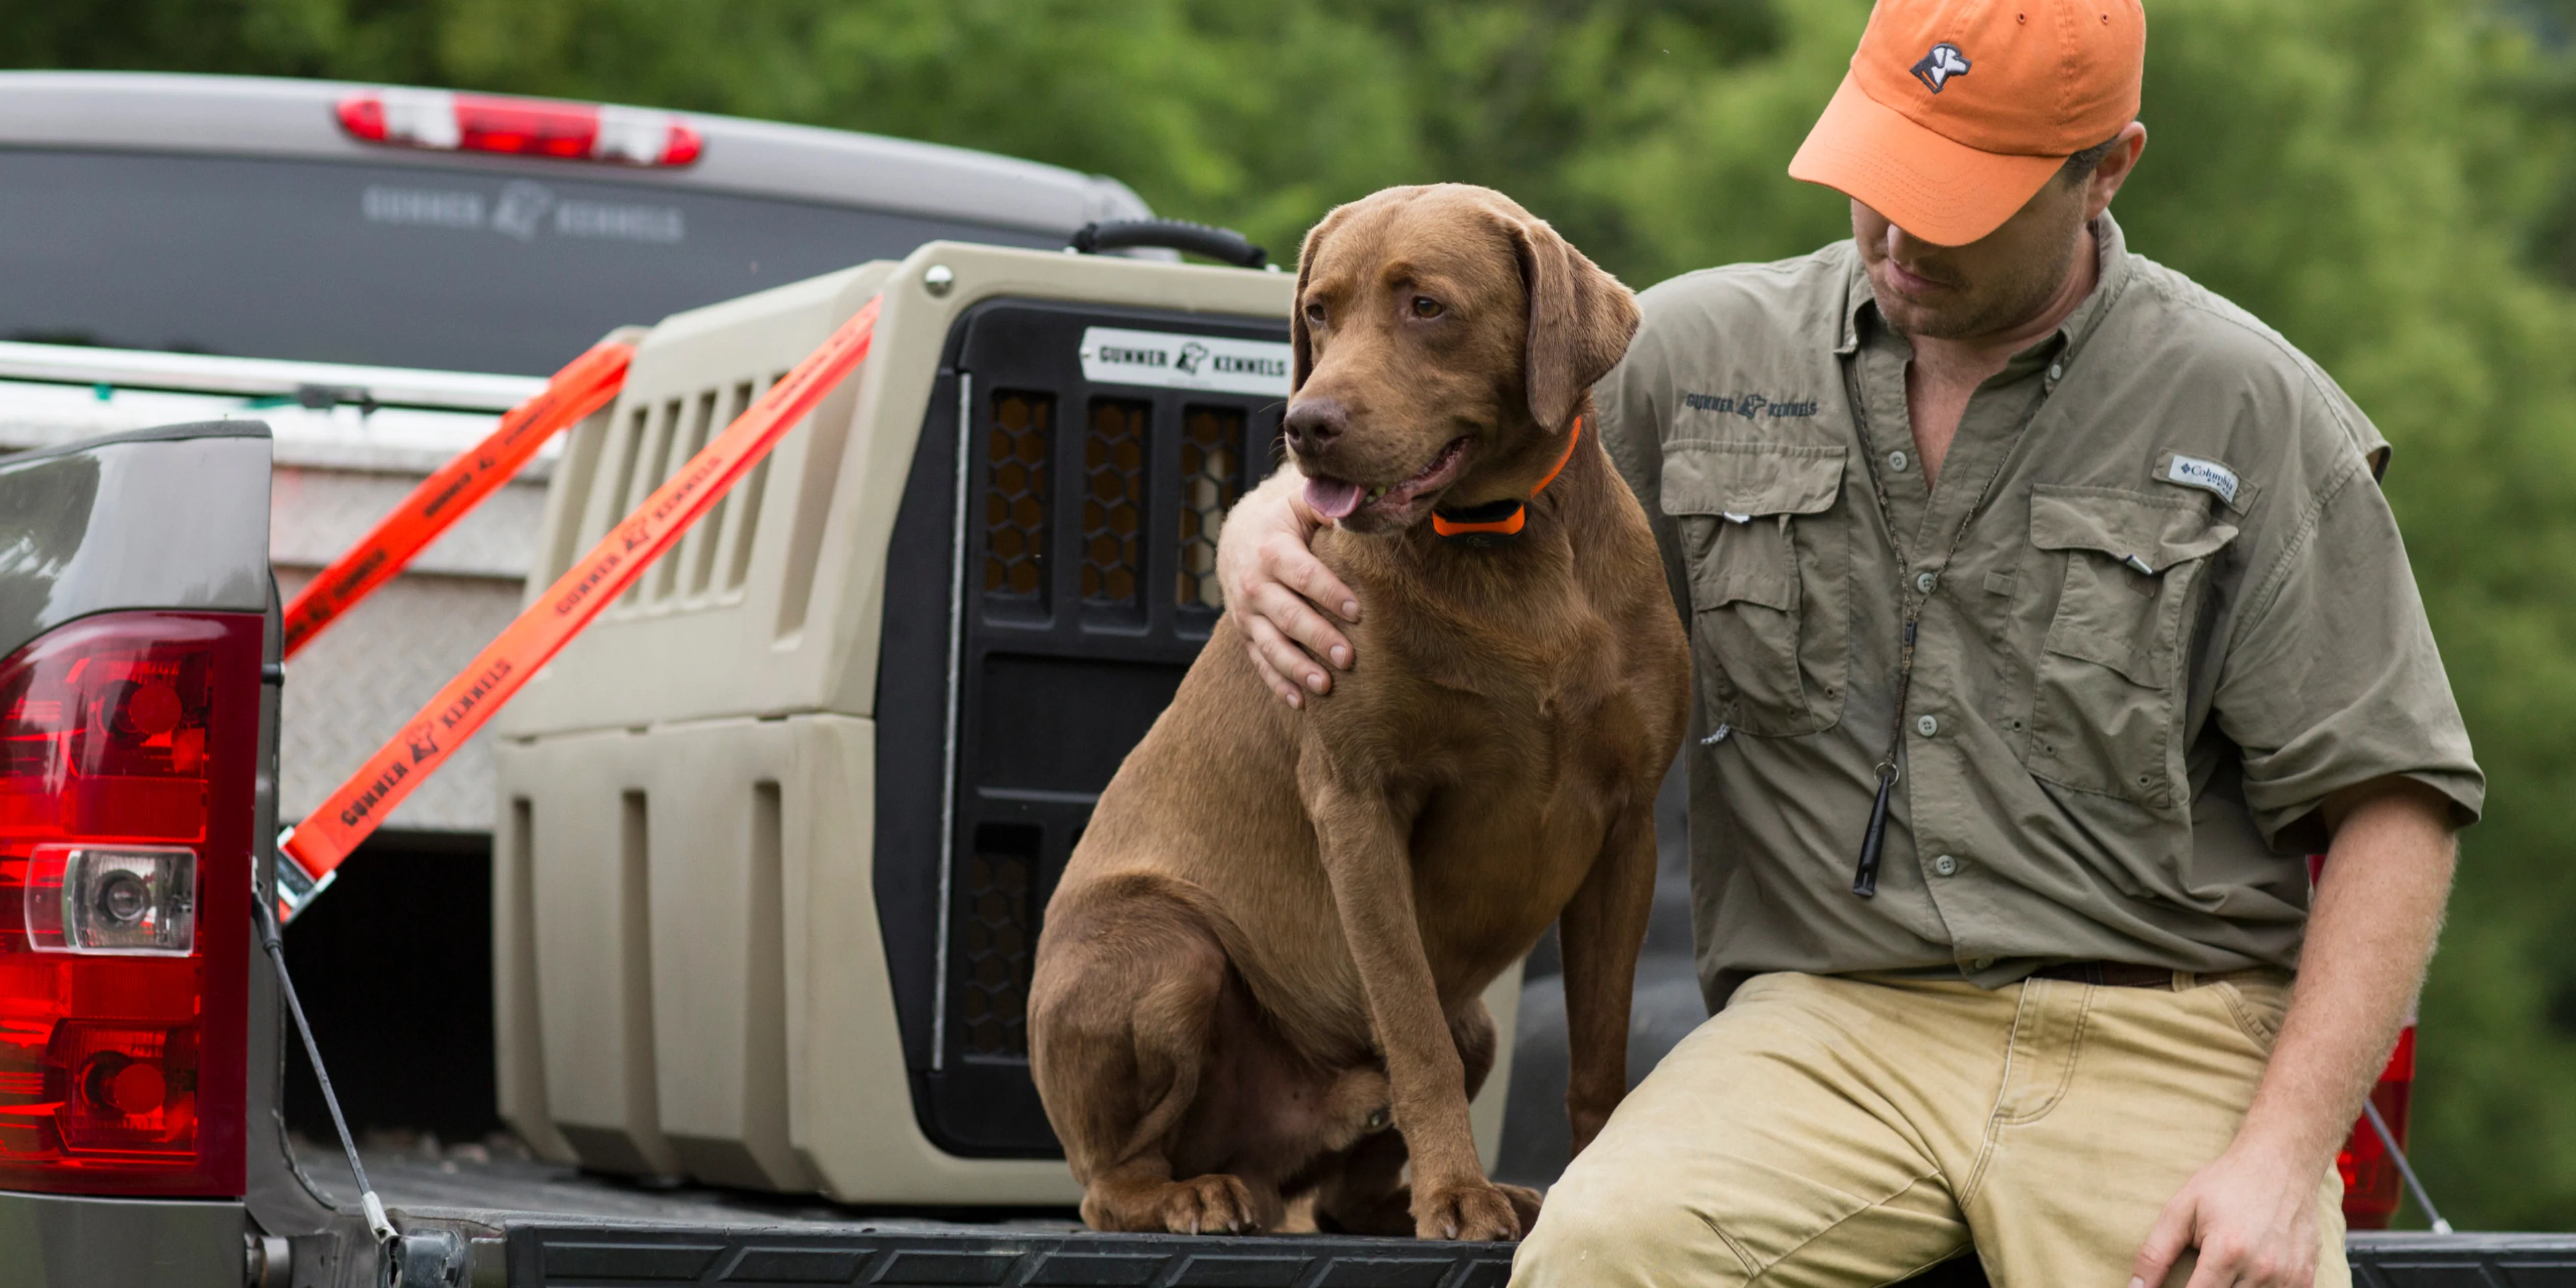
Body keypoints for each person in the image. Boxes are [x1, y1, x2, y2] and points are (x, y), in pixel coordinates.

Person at [1212, 0, 2483, 1283]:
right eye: (1879, 171)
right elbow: (1443, 418)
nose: (1898, 230)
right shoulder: (1694, 354)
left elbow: (2396, 807)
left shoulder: (2249, 406)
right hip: (1821, 1026)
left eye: (1960, 193)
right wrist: (1263, 527)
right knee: (1597, 1256)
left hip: (2163, 1035)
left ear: (2105, 170)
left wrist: (2280, 1156)